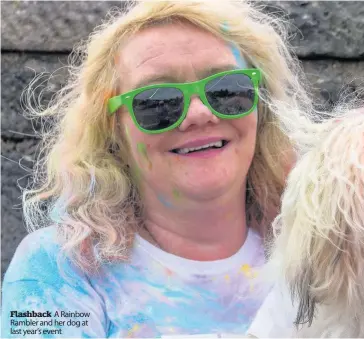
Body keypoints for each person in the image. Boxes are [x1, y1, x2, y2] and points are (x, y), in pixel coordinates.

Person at [1, 0, 315, 337]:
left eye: (227, 90)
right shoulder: (56, 269)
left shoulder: (320, 258)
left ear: (262, 108)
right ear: (113, 130)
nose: (199, 114)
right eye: (157, 101)